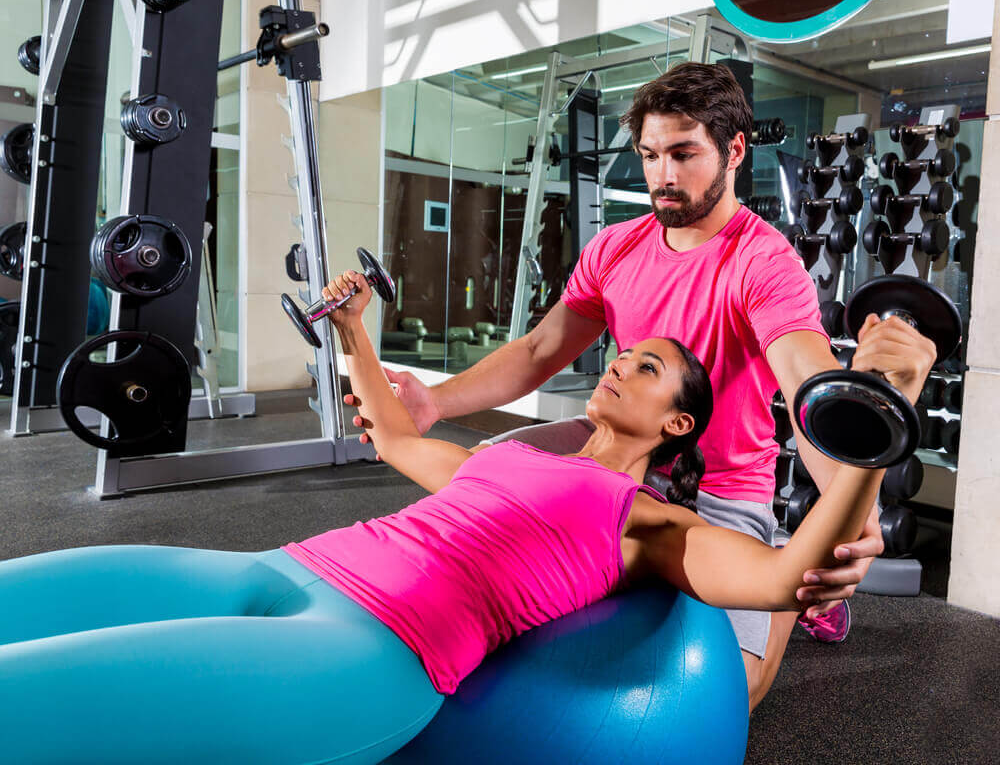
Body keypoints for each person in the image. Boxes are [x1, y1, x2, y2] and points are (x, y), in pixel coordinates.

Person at [0, 270, 932, 763]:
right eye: (622, 353)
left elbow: (780, 576)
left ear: (677, 425)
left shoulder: (650, 523)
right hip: (278, 568)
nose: (618, 362)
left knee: (27, 697)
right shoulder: (512, 456)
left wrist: (878, 410)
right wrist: (353, 329)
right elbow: (398, 438)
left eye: (646, 367)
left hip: (363, 651)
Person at [355, 62, 939, 709]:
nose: (662, 175)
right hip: (620, 445)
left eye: (683, 154)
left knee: (729, 696)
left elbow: (808, 394)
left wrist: (849, 513)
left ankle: (782, 578)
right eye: (651, 155)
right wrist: (435, 401)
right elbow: (541, 349)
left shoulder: (764, 263)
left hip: (720, 482)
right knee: (485, 475)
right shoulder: (615, 248)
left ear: (734, 150)